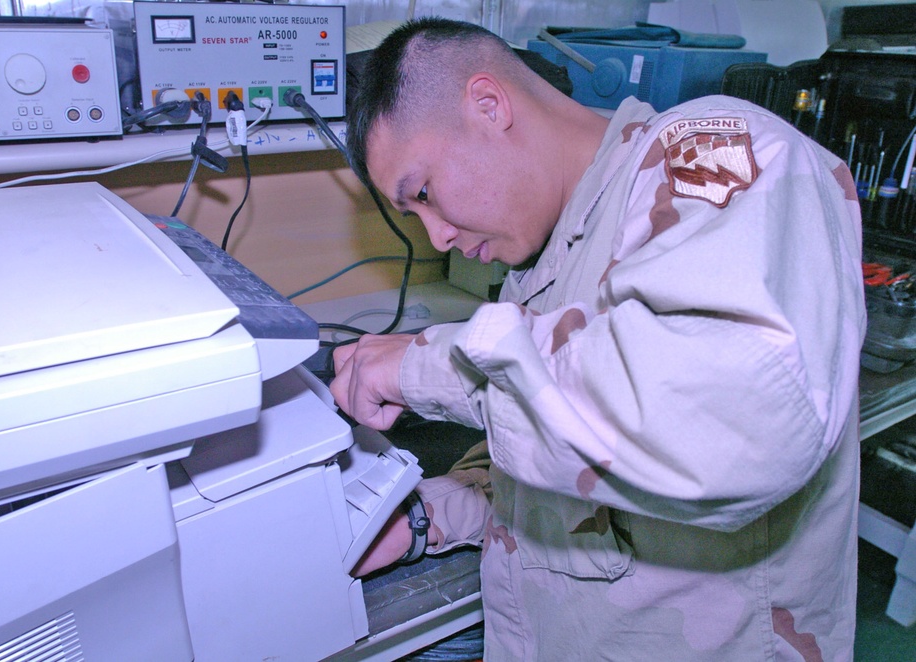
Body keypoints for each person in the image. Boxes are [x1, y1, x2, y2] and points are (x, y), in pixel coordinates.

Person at [331, 16, 866, 661]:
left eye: (422, 193)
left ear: (489, 105)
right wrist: (426, 516)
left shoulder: (713, 151)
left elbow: (721, 415)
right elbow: (560, 452)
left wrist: (423, 366)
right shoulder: (541, 261)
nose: (436, 236)